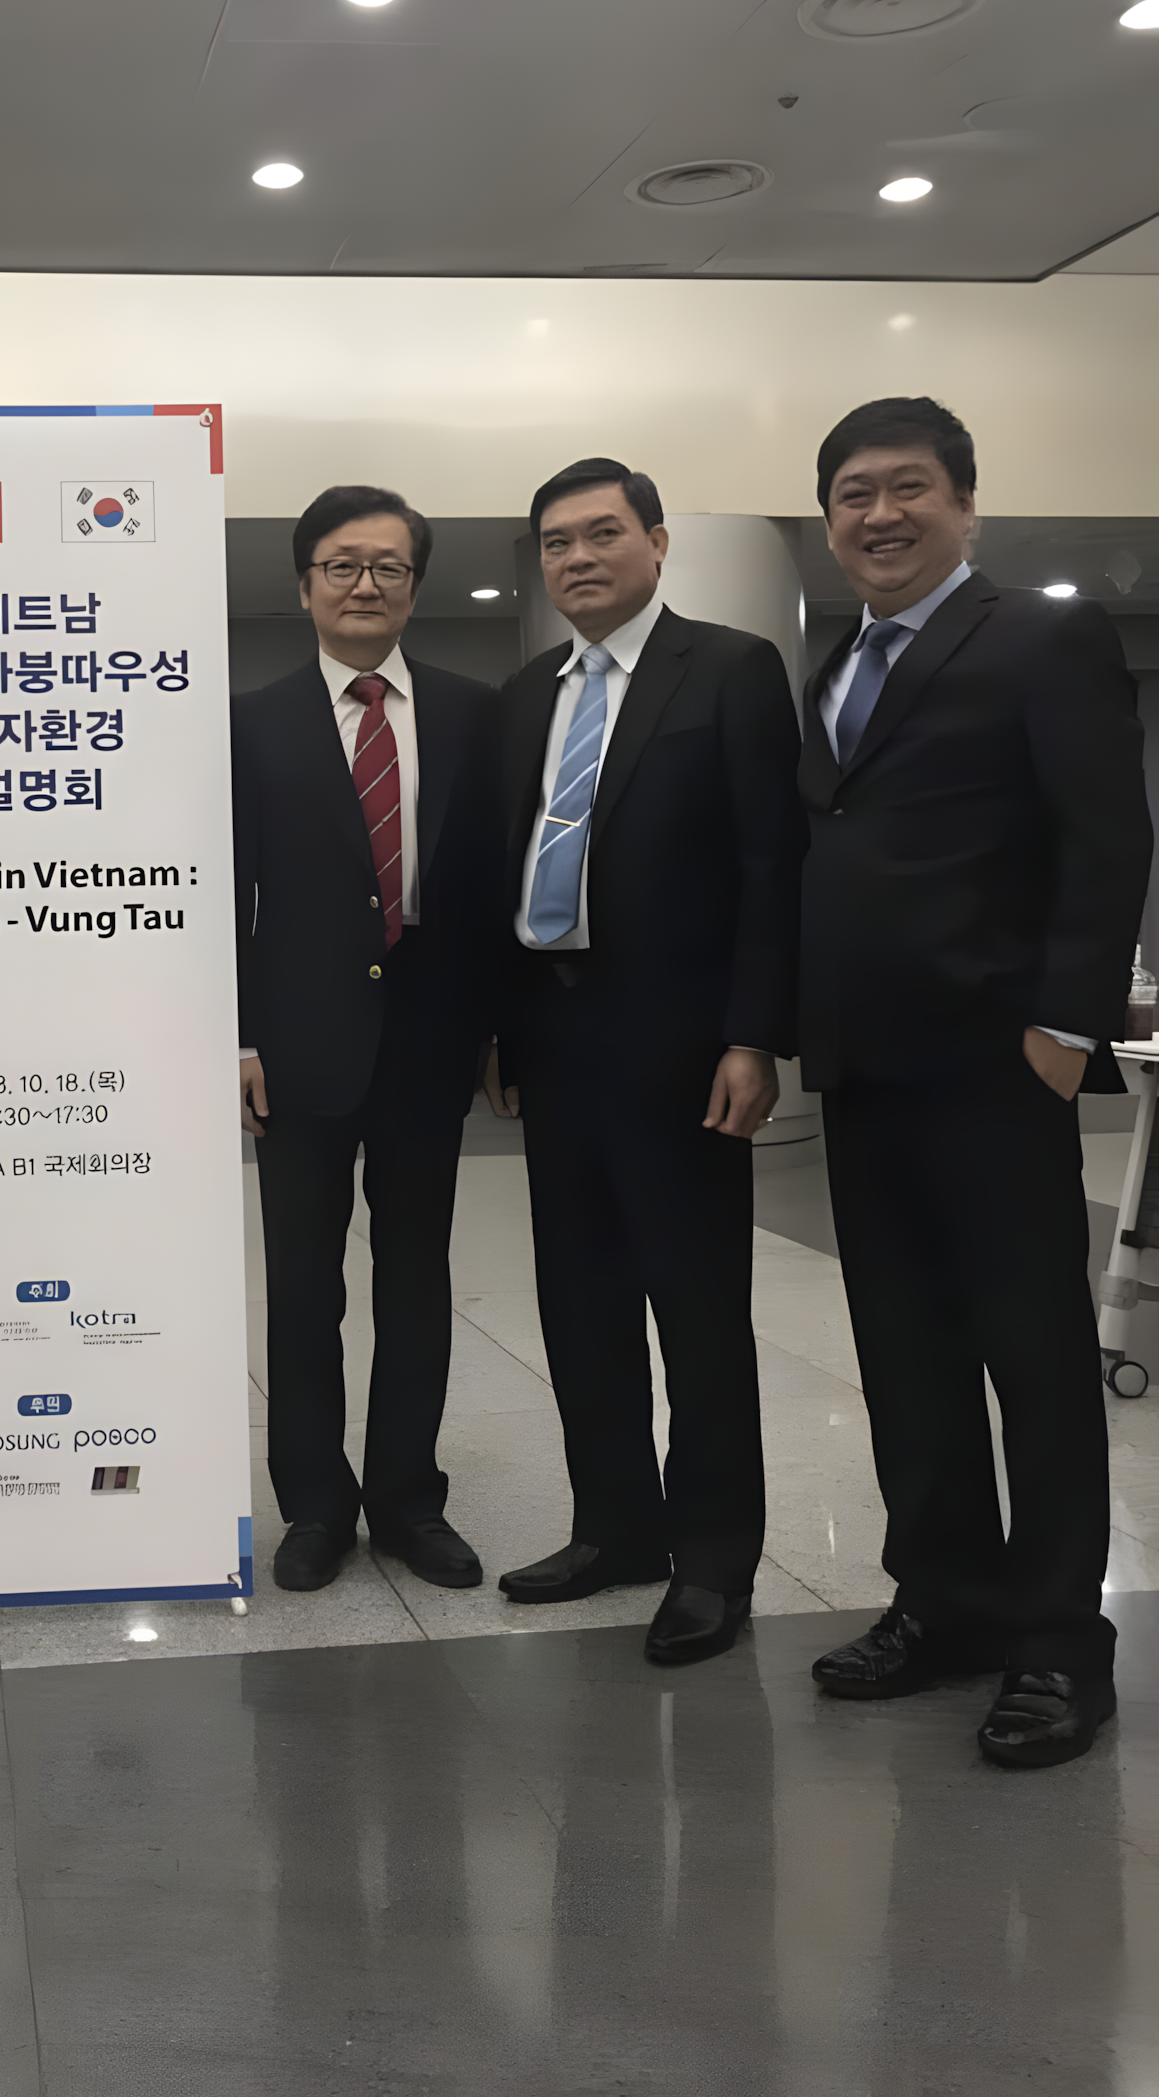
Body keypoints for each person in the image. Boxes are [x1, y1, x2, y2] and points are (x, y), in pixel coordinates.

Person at [800, 397, 1151, 1769]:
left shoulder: (1039, 636)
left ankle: (1064, 1643)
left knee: (1037, 1359)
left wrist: (1066, 1026)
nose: (877, 516)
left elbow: (1105, 837)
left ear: (965, 503)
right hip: (869, 1073)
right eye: (851, 497)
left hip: (996, 1067)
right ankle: (941, 1601)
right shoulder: (838, 663)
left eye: (905, 490)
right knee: (907, 1357)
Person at [487, 460, 804, 1664]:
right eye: (556, 540)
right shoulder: (529, 695)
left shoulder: (727, 670)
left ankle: (716, 1556)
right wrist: (507, 1038)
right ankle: (616, 1525)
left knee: (698, 1308)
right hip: (557, 1042)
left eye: (603, 533)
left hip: (683, 1049)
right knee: (579, 1302)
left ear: (658, 543)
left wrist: (753, 1032)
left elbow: (773, 865)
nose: (578, 556)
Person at [232, 486, 499, 1593]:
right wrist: (236, 1031)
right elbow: (218, 892)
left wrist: (497, 1033)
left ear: (415, 588)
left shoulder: (480, 714)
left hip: (430, 1044)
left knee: (418, 1278)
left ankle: (405, 1499)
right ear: (304, 585)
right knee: (303, 1286)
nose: (365, 584)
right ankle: (314, 1507)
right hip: (294, 1050)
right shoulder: (248, 722)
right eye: (342, 565)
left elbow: (489, 891)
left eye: (389, 566)